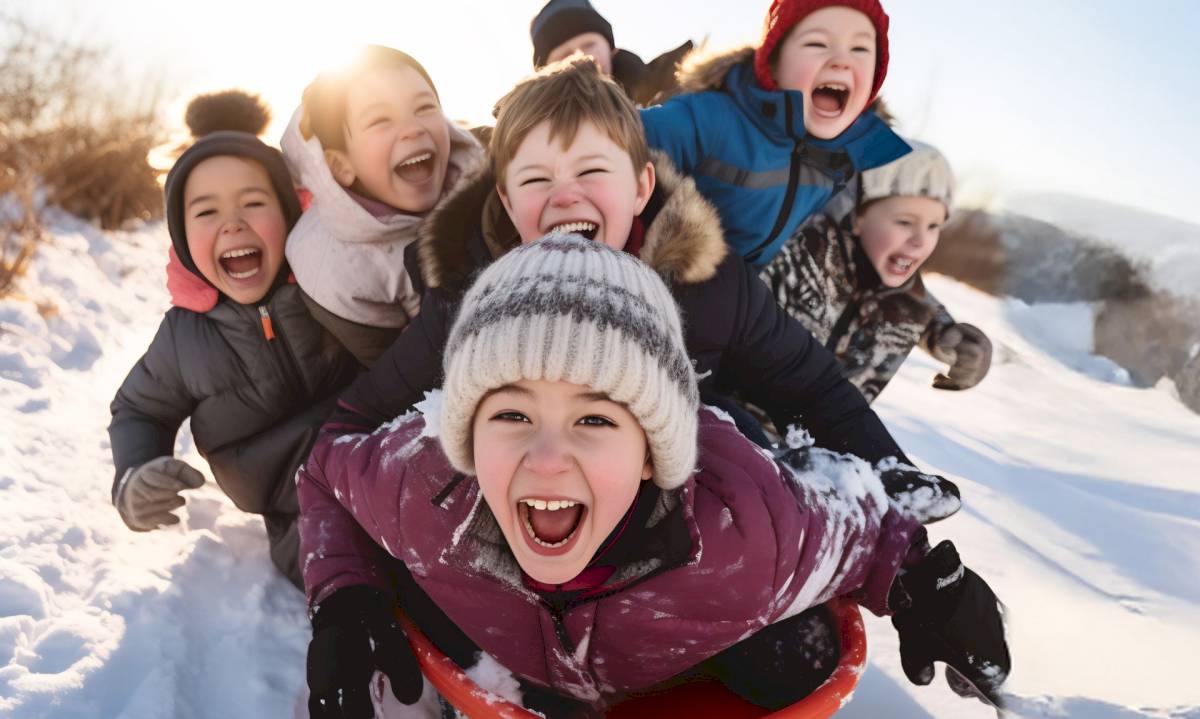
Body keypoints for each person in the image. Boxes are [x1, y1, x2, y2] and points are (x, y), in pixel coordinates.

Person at [298, 234, 1012, 717]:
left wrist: (918, 581)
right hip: (515, 663)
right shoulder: (423, 491)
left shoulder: (744, 534)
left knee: (804, 652)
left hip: (684, 656)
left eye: (596, 419)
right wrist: (343, 596)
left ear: (651, 450)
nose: (547, 456)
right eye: (511, 414)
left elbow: (855, 529)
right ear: (463, 433)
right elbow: (324, 470)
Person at [329, 57, 960, 517]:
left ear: (639, 187)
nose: (565, 194)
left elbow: (813, 386)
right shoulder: (467, 304)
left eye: (592, 170)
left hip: (690, 539)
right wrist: (354, 589)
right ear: (505, 199)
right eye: (536, 179)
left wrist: (888, 475)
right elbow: (351, 425)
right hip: (532, 541)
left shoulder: (709, 288)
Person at [642, 0, 988, 394]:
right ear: (772, 59)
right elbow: (610, 138)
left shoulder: (841, 164)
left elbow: (873, 269)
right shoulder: (713, 121)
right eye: (818, 43)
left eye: (860, 49)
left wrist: (939, 328)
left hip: (739, 369)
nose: (841, 61)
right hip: (665, 333)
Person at [107, 91, 357, 589]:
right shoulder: (185, 335)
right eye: (206, 213)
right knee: (330, 559)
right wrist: (133, 476)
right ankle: (359, 618)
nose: (233, 223)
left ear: (290, 211)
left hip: (375, 457)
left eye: (254, 203)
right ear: (181, 236)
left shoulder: (329, 279)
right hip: (297, 504)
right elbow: (140, 409)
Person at [281, 45, 485, 366]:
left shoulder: (485, 178)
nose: (413, 128)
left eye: (424, 107)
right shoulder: (335, 267)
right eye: (380, 120)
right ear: (340, 165)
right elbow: (394, 375)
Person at [762, 141, 993, 401]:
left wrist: (963, 349)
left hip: (820, 435)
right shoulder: (797, 254)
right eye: (905, 222)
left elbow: (929, 319)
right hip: (732, 421)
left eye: (933, 226)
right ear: (858, 216)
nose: (920, 241)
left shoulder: (910, 302)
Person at [530, 0, 693, 106]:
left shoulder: (677, 86)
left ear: (611, 49)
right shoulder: (527, 128)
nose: (580, 57)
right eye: (565, 55)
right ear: (544, 71)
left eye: (589, 45)